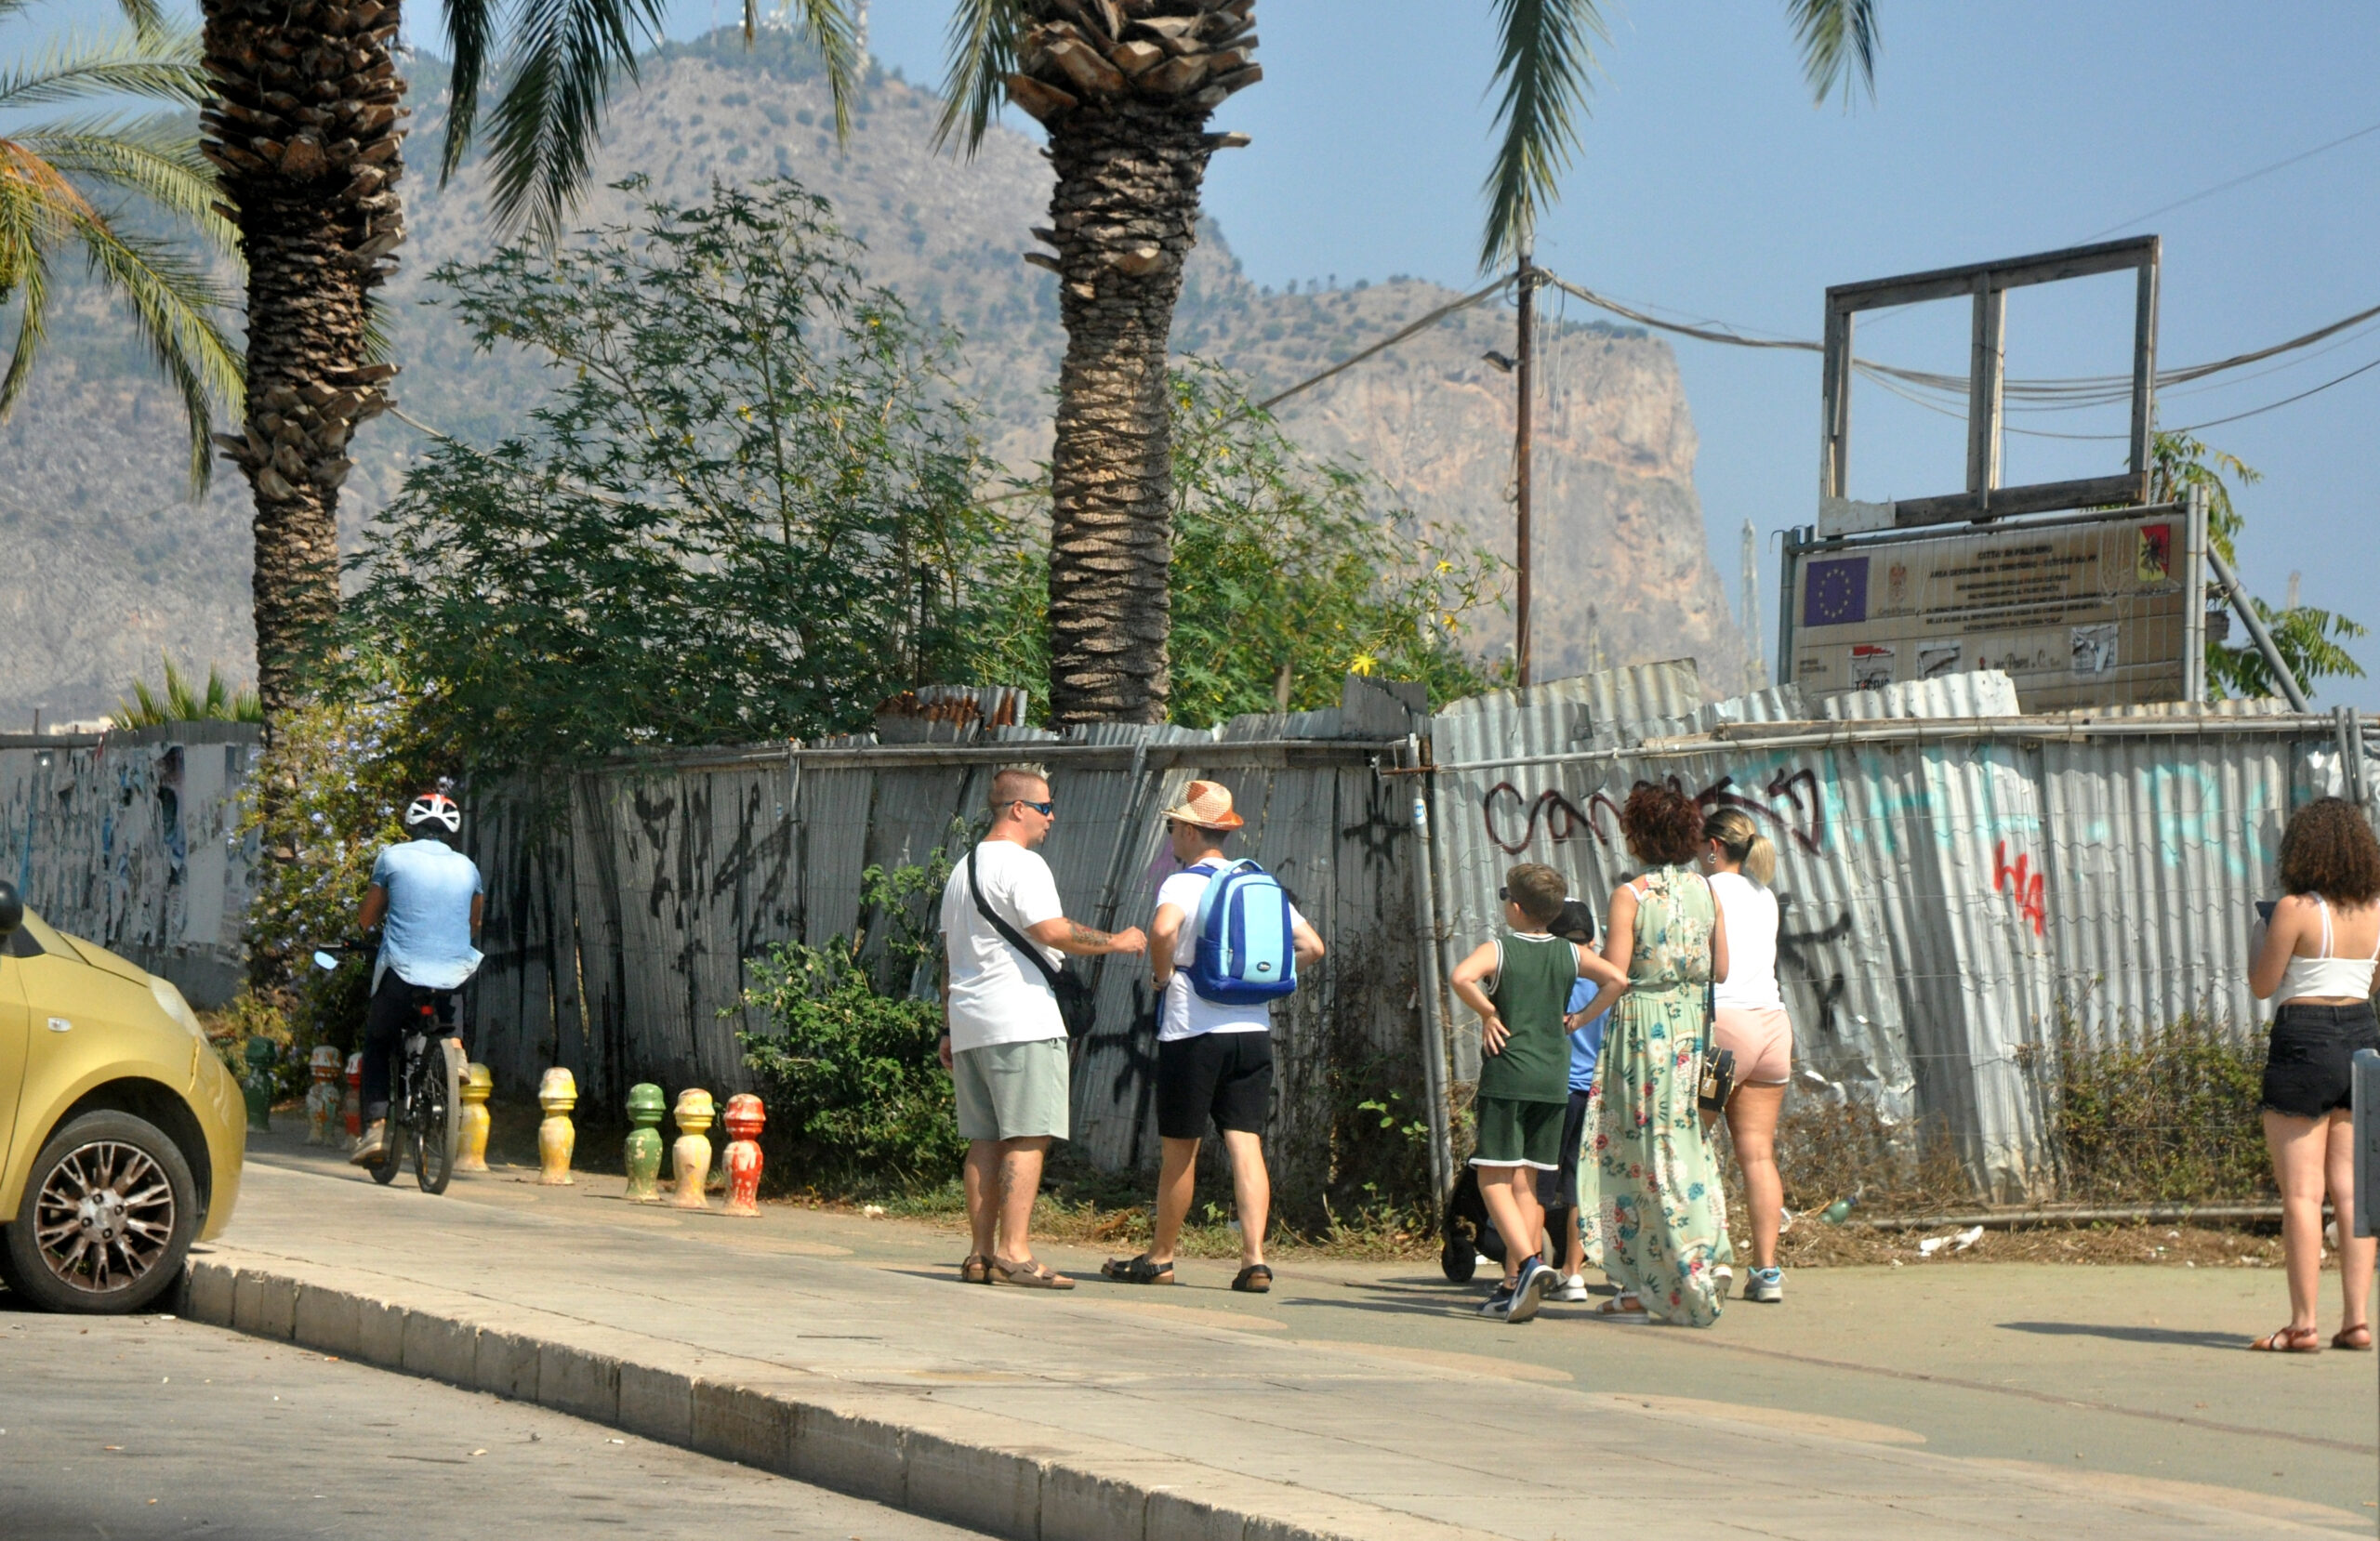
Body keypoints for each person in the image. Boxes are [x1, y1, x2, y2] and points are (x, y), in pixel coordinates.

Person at [1100, 782, 1325, 1292]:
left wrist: (1163, 979)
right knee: (1246, 1143)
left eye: (1172, 826)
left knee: (1182, 1148)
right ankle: (1254, 1260)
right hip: (1253, 1029)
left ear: (1190, 830)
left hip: (1192, 1030)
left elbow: (1161, 933)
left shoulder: (1183, 884)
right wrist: (1257, 984)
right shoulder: (1259, 882)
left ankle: (1160, 1257)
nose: (1171, 835)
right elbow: (1312, 947)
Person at [939, 766, 1145, 1290]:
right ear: (1018, 810)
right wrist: (1118, 941)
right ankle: (1015, 1252)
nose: (1053, 818)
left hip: (971, 1022)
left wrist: (947, 1027)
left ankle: (980, 1255)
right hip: (1022, 1018)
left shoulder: (962, 870)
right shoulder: (1022, 865)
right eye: (1046, 808)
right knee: (1028, 1136)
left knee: (983, 1140)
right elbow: (1053, 931)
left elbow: (950, 958)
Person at [1450, 863, 1628, 1322]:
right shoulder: (1570, 955)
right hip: (1554, 1078)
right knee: (1530, 1183)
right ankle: (1514, 1284)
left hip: (1509, 1074)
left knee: (1492, 1177)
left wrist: (1489, 1013)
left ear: (1515, 907)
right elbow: (1618, 981)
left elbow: (1460, 977)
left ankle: (1528, 1264)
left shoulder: (1500, 948)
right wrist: (1580, 1019)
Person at [1593, 783, 1730, 1326]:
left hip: (1642, 1032)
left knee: (1641, 1152)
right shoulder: (1707, 891)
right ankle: (1704, 1246)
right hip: (1691, 1030)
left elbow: (1616, 972)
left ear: (1638, 834)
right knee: (1686, 1145)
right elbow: (1720, 969)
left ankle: (1657, 1277)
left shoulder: (1632, 894)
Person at [2247, 796, 2380, 1352]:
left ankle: (2303, 1325)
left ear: (2301, 850)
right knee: (2353, 1193)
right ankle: (2357, 1321)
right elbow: (2374, 987)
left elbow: (2262, 983)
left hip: (2304, 1036)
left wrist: (2260, 931)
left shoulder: (2294, 910)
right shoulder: (2376, 908)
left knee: (2303, 1194)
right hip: (2362, 1036)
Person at [350, 791, 483, 1166]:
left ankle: (375, 1129)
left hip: (402, 971)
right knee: (456, 972)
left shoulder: (392, 857)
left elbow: (367, 918)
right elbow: (474, 925)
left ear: (412, 825)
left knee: (378, 1042)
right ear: (451, 831)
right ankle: (455, 1050)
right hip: (449, 973)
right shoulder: (468, 867)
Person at [1703, 807, 1791, 1305]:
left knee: (1690, 1142)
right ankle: (1767, 1271)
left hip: (1727, 1031)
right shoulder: (1766, 894)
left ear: (1714, 847)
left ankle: (1709, 1257)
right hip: (1774, 1029)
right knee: (1758, 1155)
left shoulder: (1707, 889)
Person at [1540, 898, 1614, 1304]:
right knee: (1578, 1186)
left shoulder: (1555, 974)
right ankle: (1574, 1272)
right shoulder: (1607, 979)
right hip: (1595, 1093)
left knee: (1536, 1181)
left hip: (1556, 1090)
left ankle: (1529, 1264)